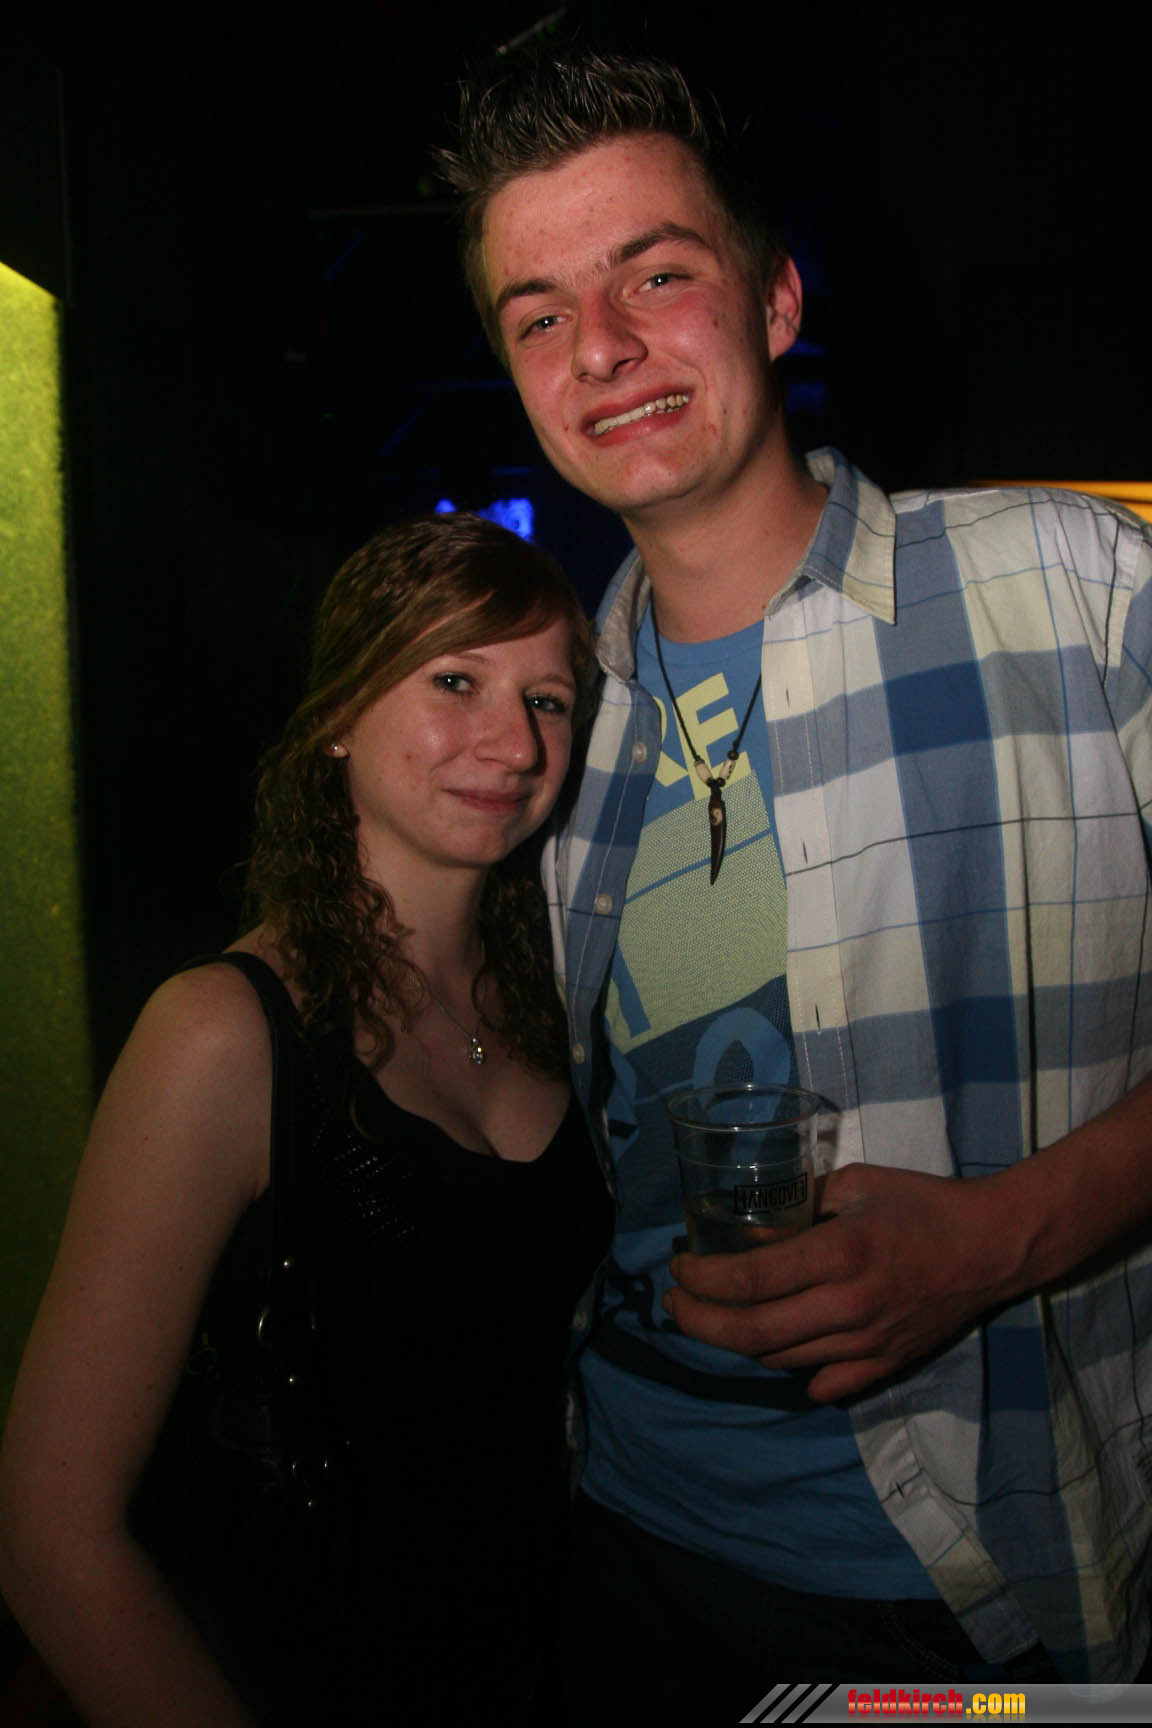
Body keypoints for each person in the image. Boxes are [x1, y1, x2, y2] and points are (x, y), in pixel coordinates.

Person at [439, 48, 1152, 1712]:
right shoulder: (558, 726)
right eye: (539, 313)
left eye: (653, 275)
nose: (598, 346)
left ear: (774, 302)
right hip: (626, 1535)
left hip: (983, 1585)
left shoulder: (1078, 588)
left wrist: (999, 1237)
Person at [0, 513, 611, 1726]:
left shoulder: (558, 998)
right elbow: (49, 1536)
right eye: (456, 681)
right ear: (338, 713)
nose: (514, 743)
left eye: (547, 701)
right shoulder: (224, 1034)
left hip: (546, 1663)